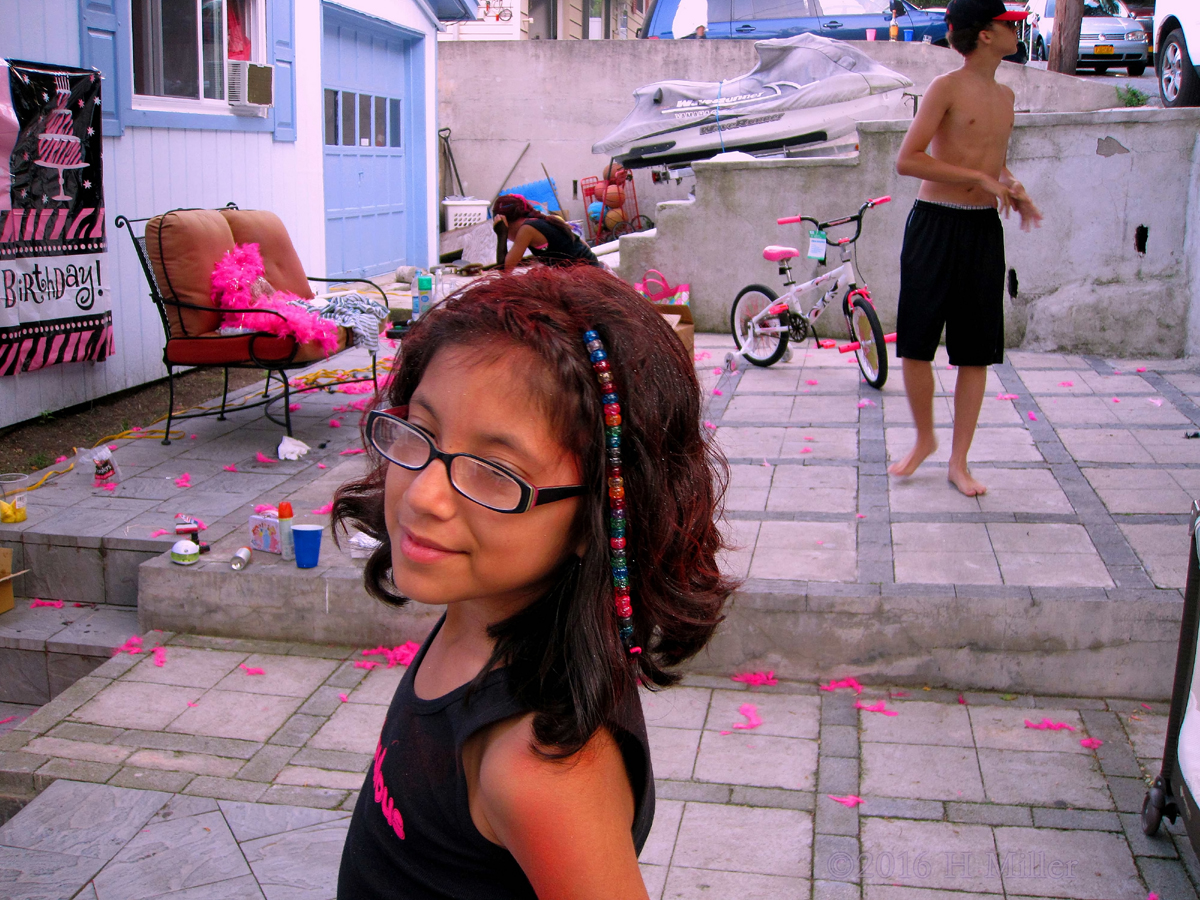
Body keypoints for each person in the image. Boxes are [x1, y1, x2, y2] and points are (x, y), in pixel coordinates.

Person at [332, 266, 735, 899]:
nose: (424, 495)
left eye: (495, 470)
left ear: (596, 518)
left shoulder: (538, 768)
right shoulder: (480, 610)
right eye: (423, 432)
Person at [888, 0, 1042, 497]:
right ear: (984, 35)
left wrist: (1013, 189)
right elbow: (908, 160)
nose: (1016, 31)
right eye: (1008, 24)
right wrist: (978, 177)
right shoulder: (945, 88)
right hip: (935, 224)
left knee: (976, 352)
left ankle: (959, 462)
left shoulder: (1007, 95)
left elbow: (993, 161)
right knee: (916, 343)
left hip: (981, 230)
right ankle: (925, 438)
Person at [493, 194, 601, 271]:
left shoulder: (526, 229)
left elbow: (505, 270)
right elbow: (584, 245)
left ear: (506, 224)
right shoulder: (541, 220)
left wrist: (501, 234)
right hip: (591, 267)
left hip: (586, 274)